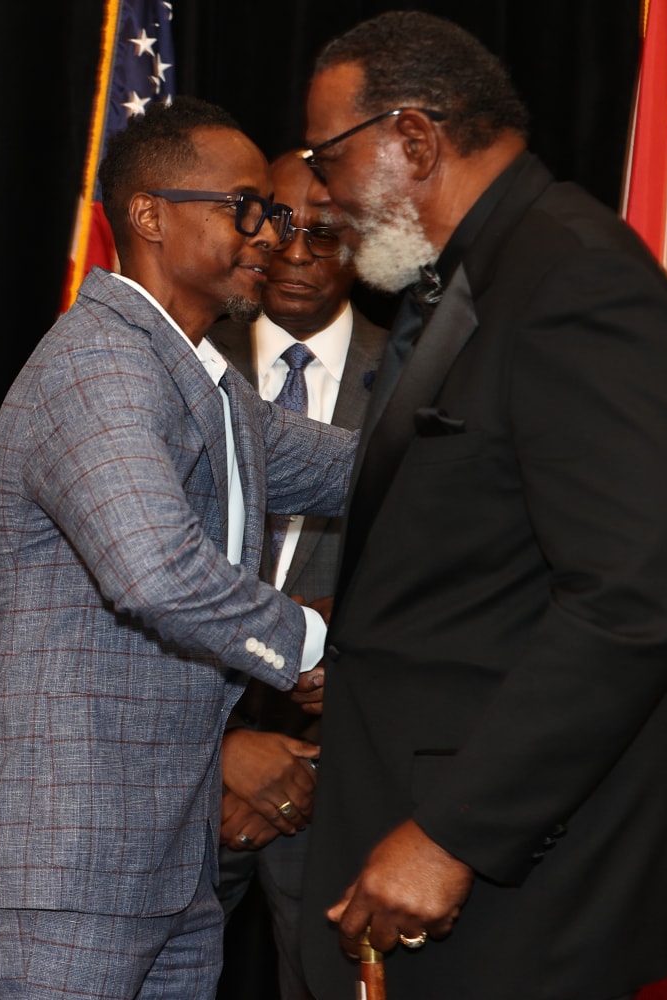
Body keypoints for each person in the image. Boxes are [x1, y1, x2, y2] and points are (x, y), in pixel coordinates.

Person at [289, 13, 667, 1000]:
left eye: (328, 155)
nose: (320, 190)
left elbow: (633, 599)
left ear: (413, 139)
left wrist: (455, 832)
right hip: (450, 849)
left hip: (528, 877)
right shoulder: (473, 278)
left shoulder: (576, 280)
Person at [0, 96, 360, 999]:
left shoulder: (205, 383)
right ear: (149, 216)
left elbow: (356, 472)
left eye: (271, 211)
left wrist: (497, 439)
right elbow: (157, 573)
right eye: (244, 207)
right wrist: (313, 649)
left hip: (168, 863)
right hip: (68, 861)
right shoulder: (101, 366)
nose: (270, 234)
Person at [206, 150, 387, 1000]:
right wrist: (221, 752)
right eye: (279, 224)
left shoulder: (421, 379)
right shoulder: (179, 365)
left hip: (348, 785)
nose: (298, 251)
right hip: (185, 778)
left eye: (326, 231)